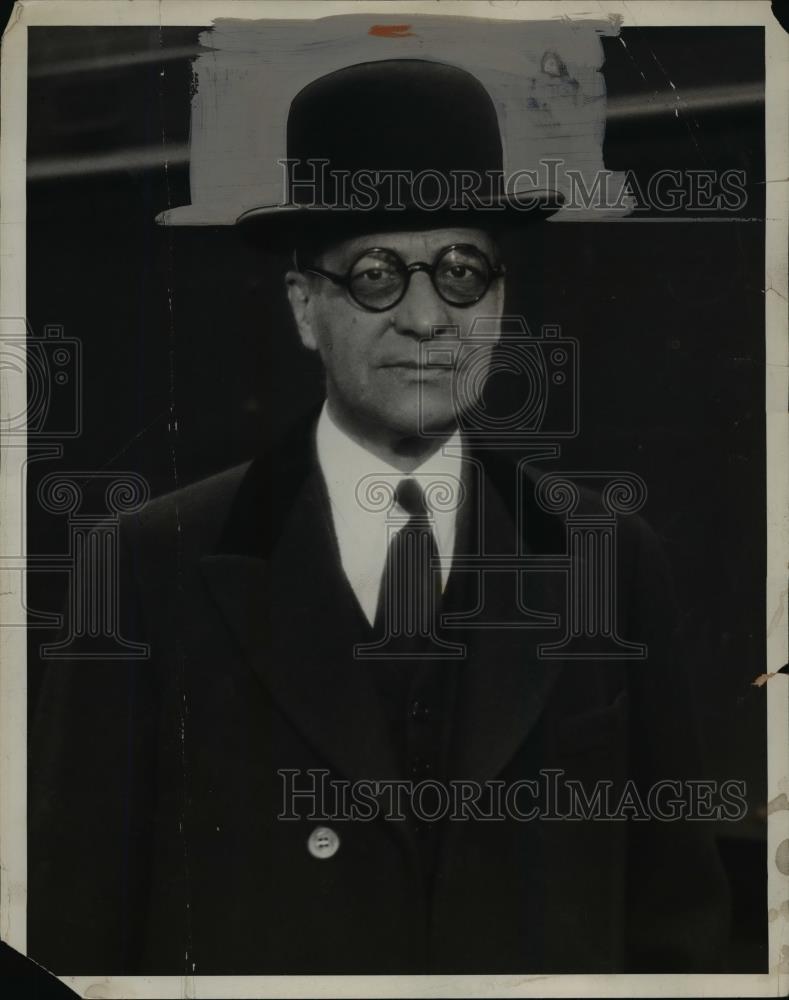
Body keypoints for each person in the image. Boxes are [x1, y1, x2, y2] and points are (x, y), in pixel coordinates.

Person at [29, 58, 729, 975]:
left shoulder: (605, 555)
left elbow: (677, 924)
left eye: (462, 271)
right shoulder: (145, 563)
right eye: (373, 275)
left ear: (501, 299)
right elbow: (75, 931)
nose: (427, 318)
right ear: (304, 308)